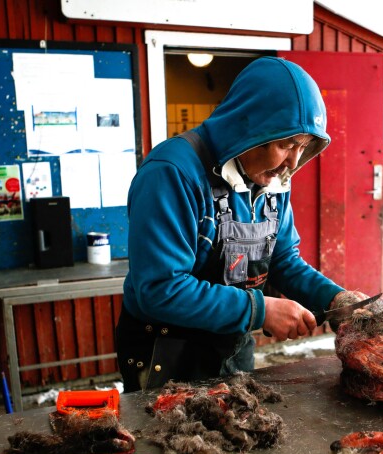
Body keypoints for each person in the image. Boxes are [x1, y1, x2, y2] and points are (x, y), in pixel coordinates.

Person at [117, 56, 364, 392]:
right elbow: (160, 289)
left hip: (232, 345)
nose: (292, 163)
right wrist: (260, 310)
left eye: (303, 148)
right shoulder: (171, 174)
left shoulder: (272, 181)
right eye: (285, 145)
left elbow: (283, 260)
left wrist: (337, 300)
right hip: (166, 350)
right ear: (248, 128)